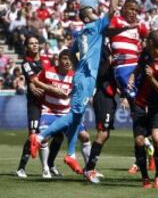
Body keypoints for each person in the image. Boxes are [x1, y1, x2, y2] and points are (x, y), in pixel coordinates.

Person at [29, 0, 119, 174]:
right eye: (96, 10)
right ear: (89, 13)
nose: (99, 12)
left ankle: (70, 153)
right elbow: (113, 9)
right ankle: (41, 137)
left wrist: (78, 67)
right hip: (86, 78)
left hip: (82, 75)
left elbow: (70, 53)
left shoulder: (80, 33)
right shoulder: (96, 26)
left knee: (77, 117)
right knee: (74, 114)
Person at [35, 49, 92, 178]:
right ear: (59, 60)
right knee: (44, 138)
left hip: (67, 113)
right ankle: (45, 169)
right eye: (64, 59)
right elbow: (36, 82)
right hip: (49, 111)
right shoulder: (48, 72)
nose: (67, 62)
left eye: (70, 59)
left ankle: (89, 169)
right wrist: (34, 88)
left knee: (85, 137)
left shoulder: (75, 75)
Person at [132, 30, 158, 189]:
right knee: (139, 140)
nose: (144, 43)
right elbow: (139, 66)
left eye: (146, 40)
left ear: (151, 43)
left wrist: (150, 78)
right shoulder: (146, 54)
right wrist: (132, 76)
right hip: (141, 104)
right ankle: (145, 179)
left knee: (157, 138)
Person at [15, 36, 57, 178]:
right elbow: (34, 80)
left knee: (59, 136)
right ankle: (21, 168)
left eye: (36, 43)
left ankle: (50, 165)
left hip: (50, 102)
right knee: (33, 135)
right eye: (31, 43)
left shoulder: (47, 60)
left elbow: (52, 76)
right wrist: (33, 84)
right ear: (26, 47)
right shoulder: (26, 63)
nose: (34, 45)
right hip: (35, 103)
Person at [83, 40, 117, 182]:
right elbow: (99, 73)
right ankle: (89, 169)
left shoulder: (107, 47)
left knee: (106, 134)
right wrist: (109, 61)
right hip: (103, 95)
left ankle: (90, 168)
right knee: (102, 133)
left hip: (109, 95)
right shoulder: (99, 49)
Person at [108, 0, 149, 113]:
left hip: (137, 67)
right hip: (122, 66)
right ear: (124, 9)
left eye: (136, 10)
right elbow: (108, 32)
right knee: (135, 102)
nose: (134, 12)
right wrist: (126, 28)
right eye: (131, 9)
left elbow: (152, 37)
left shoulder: (139, 25)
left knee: (144, 99)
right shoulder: (116, 20)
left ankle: (156, 128)